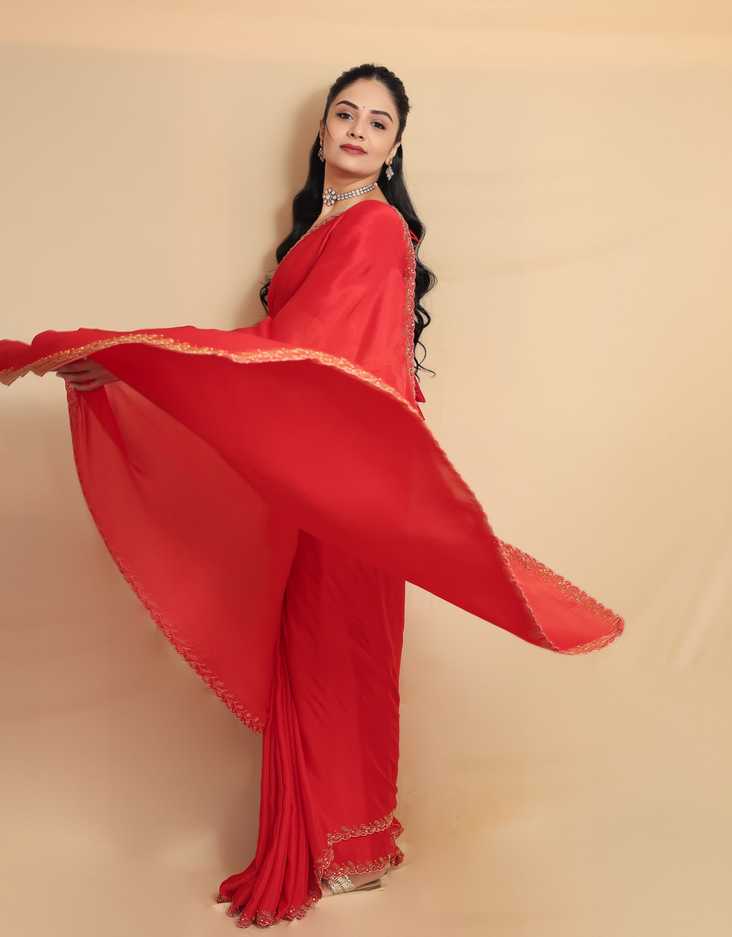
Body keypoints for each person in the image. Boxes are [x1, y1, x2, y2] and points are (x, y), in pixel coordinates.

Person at [0, 64, 624, 929]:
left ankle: (348, 847)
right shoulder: (316, 235)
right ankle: (343, 844)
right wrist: (126, 363)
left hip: (353, 479)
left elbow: (304, 352)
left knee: (342, 651)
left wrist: (134, 355)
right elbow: (270, 348)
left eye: (378, 122)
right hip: (323, 478)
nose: (359, 130)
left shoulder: (376, 228)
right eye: (346, 113)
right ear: (322, 130)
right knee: (320, 651)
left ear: (395, 148)